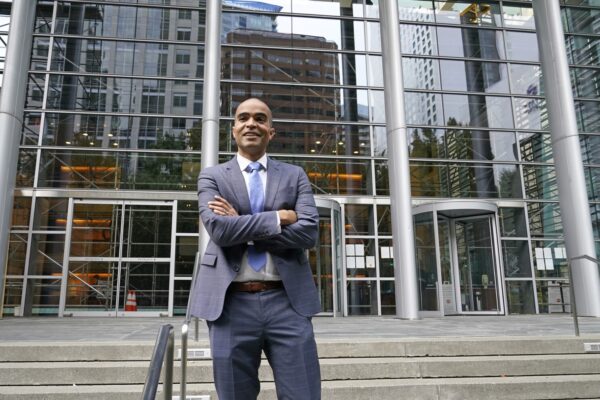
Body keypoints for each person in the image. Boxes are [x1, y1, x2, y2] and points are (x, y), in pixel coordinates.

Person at [189, 98, 321, 399]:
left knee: (303, 394)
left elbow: (308, 233)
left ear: (270, 132)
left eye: (260, 119)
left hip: (288, 301)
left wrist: (244, 226)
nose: (252, 123)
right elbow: (221, 230)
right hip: (230, 303)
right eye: (243, 118)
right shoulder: (212, 176)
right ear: (234, 129)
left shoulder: (294, 175)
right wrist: (279, 218)